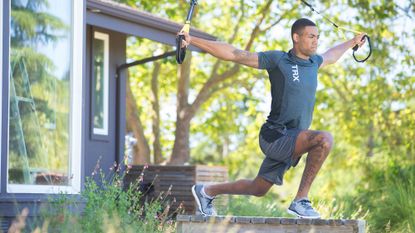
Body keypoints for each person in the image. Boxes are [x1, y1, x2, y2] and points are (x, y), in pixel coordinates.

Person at [179, 18, 366, 219]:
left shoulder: (314, 63)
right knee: (324, 139)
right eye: (311, 36)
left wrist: (351, 42)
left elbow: (332, 55)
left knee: (258, 188)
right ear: (296, 37)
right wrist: (192, 41)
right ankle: (301, 201)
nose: (316, 41)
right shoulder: (279, 60)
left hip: (294, 140)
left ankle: (206, 191)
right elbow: (236, 54)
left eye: (317, 37)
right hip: (275, 136)